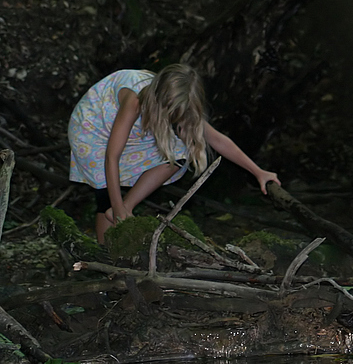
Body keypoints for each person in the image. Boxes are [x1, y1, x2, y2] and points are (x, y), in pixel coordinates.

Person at [68, 64, 280, 243]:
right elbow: (111, 156)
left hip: (138, 130)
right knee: (106, 192)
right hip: (94, 128)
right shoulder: (135, 100)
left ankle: (124, 209)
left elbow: (217, 139)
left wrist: (258, 171)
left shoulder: (178, 102)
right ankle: (108, 242)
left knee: (177, 156)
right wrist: (114, 203)